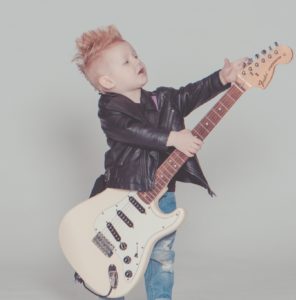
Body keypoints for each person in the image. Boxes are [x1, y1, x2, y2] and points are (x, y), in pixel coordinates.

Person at [72, 24, 246, 300]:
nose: (137, 62)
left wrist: (222, 79)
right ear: (107, 82)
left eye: (136, 55)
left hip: (163, 194)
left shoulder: (162, 99)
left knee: (162, 256)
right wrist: (172, 138)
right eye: (126, 61)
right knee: (116, 256)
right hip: (123, 196)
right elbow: (130, 130)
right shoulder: (110, 108)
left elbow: (191, 94)